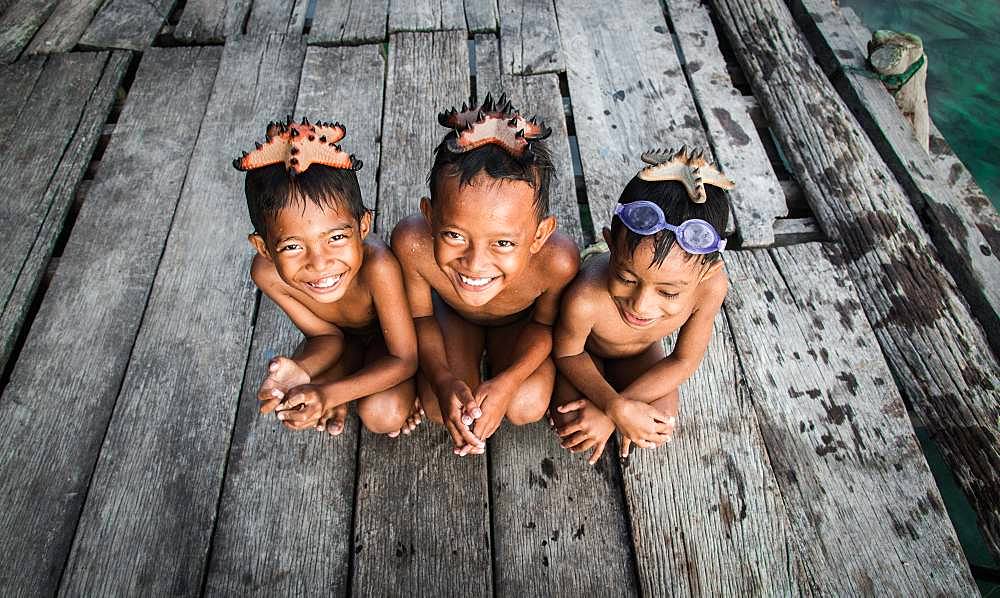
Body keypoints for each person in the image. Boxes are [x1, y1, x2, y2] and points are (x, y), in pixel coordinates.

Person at [391, 93, 579, 455]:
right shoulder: (413, 245)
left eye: (504, 244)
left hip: (519, 325)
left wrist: (508, 382)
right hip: (454, 317)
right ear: (430, 216)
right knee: (436, 406)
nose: (475, 264)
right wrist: (444, 381)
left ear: (539, 235)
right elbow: (421, 316)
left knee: (525, 404)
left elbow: (544, 327)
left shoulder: (557, 262)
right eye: (454, 236)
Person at [234, 117, 420, 438]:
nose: (319, 264)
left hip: (390, 342)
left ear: (363, 227)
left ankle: (356, 389)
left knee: (382, 414)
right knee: (309, 390)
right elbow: (326, 337)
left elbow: (404, 359)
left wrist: (330, 393)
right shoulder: (268, 274)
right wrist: (302, 371)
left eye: (335, 238)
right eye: (292, 246)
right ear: (264, 248)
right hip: (340, 344)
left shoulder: (378, 267)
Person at [551, 146, 733, 464]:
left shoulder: (711, 287)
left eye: (669, 292)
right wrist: (613, 404)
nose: (640, 305)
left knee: (659, 424)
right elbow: (568, 352)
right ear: (610, 243)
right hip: (584, 354)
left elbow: (683, 360)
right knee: (572, 426)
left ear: (707, 272)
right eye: (627, 278)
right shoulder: (586, 297)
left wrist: (614, 408)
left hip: (639, 352)